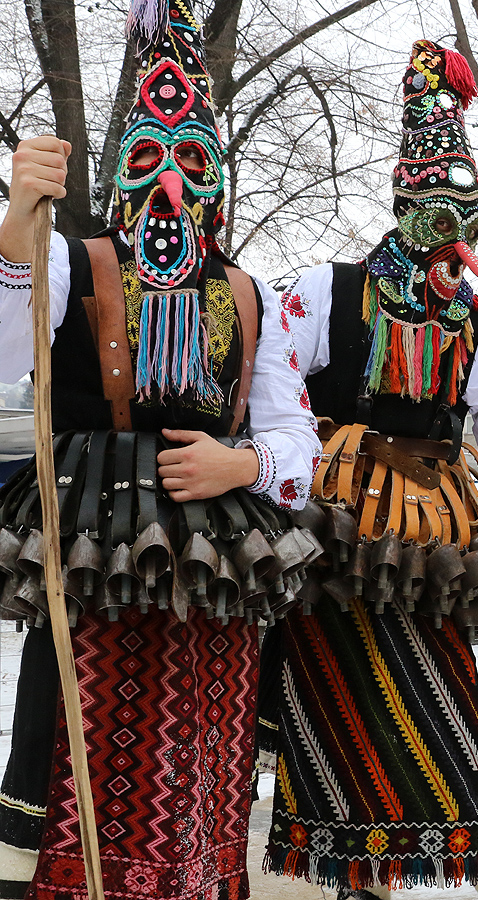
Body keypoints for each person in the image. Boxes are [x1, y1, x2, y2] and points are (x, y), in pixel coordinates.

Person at [0, 1, 320, 896]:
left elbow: (297, 437)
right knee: (73, 736)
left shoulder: (252, 296)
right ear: (119, 169)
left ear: (218, 177)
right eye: (149, 158)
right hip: (97, 546)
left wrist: (244, 463)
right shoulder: (71, 260)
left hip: (212, 563)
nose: (171, 183)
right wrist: (19, 215)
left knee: (199, 758)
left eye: (192, 161)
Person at [255, 41, 478, 900]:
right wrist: (276, 494)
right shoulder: (325, 290)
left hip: (433, 544)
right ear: (402, 201)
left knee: (454, 712)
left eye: (469, 217)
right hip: (339, 539)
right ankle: (357, 881)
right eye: (438, 212)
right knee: (333, 714)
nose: (455, 236)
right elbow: (268, 388)